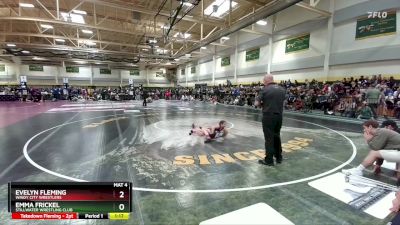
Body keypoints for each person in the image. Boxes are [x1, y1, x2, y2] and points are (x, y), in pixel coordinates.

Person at [255, 74, 286, 166]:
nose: (263, 83)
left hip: (268, 116)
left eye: (264, 81)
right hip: (279, 116)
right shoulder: (282, 89)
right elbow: (283, 101)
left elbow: (256, 103)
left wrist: (262, 104)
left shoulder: (265, 89)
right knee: (277, 136)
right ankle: (279, 157)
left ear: (266, 80)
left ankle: (269, 160)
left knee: (269, 138)